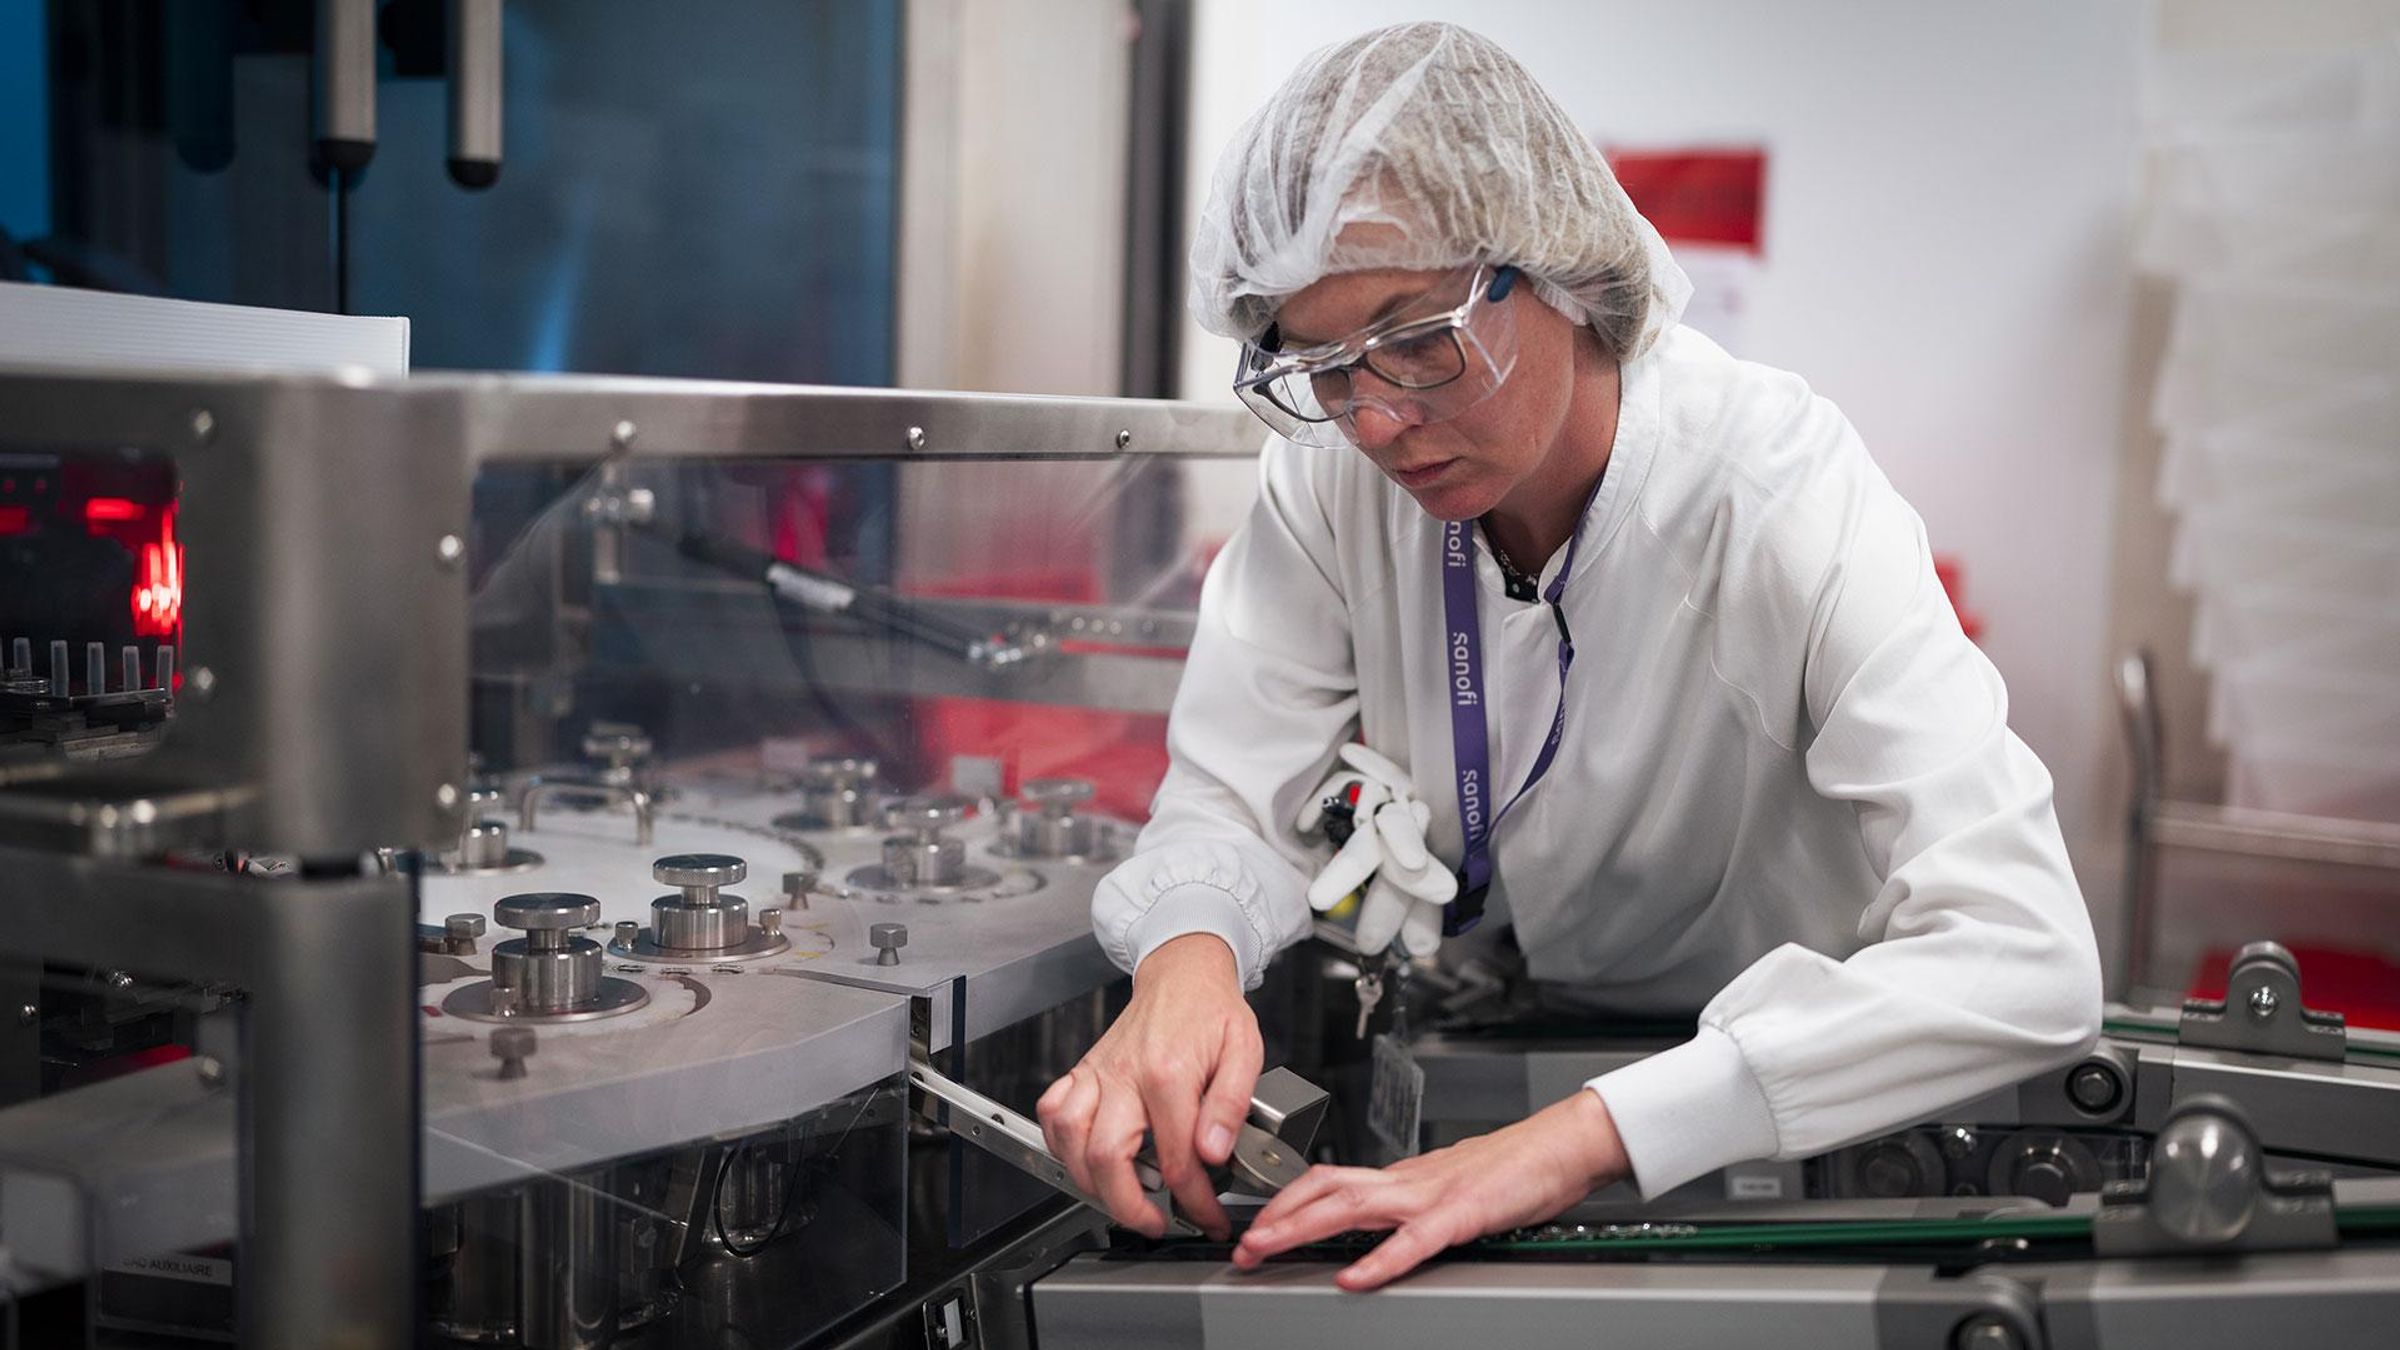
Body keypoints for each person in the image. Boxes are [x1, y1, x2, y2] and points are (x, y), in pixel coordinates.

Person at [1035, 21, 2103, 1291]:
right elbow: (1232, 789)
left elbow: (2025, 954)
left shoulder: (1775, 494)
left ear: (1556, 265)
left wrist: (1568, 1145)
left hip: (1790, 1095)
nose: (1375, 420)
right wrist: (1188, 958)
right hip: (1498, 1032)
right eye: (1322, 367)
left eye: (1417, 337)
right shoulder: (1331, 491)